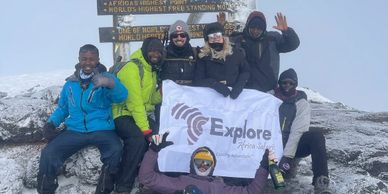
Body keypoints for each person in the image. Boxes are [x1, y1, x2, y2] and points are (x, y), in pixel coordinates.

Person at [37, 44, 128, 194]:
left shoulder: (107, 78)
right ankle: (45, 190)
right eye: (84, 59)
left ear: (98, 60)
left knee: (115, 150)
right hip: (75, 130)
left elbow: (121, 97)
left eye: (92, 59)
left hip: (102, 129)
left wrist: (110, 84)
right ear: (79, 60)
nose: (88, 62)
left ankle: (104, 190)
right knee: (49, 153)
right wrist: (51, 123)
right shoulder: (70, 84)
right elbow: (63, 108)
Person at [112, 37, 164, 193]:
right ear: (144, 50)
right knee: (137, 140)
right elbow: (134, 103)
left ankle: (149, 180)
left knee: (161, 138)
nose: (155, 54)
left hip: (138, 114)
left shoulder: (151, 69)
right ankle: (123, 184)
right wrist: (145, 129)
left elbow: (149, 100)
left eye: (159, 51)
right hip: (122, 114)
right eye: (152, 50)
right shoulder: (132, 68)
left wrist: (161, 93)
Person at [138, 133, 271, 194]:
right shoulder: (179, 183)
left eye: (207, 163)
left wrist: (264, 167)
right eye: (199, 161)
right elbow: (147, 178)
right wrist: (153, 151)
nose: (203, 165)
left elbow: (251, 191)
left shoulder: (221, 188)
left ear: (213, 167)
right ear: (191, 164)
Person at [273, 68, 332, 194]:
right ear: (279, 83)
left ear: (295, 85)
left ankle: (321, 181)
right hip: (270, 145)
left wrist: (287, 157)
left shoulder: (301, 103)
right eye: (284, 83)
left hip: (291, 147)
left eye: (291, 83)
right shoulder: (268, 98)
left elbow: (297, 131)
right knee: (276, 184)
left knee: (316, 137)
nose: (287, 86)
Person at [220, 11, 300, 92]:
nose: (255, 31)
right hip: (240, 90)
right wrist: (219, 30)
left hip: (267, 91)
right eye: (252, 27)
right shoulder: (236, 40)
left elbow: (293, 44)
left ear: (264, 29)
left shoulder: (273, 39)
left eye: (259, 29)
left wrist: (287, 31)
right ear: (248, 26)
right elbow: (216, 47)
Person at [194, 22, 249, 99]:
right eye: (211, 36)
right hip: (213, 98)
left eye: (218, 35)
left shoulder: (235, 53)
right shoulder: (203, 56)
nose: (215, 38)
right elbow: (198, 80)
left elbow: (245, 71)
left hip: (235, 97)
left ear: (223, 36)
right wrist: (213, 84)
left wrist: (239, 86)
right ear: (207, 40)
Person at [161, 20, 198, 86]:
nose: (179, 38)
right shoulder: (163, 54)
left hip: (191, 95)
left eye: (182, 35)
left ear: (188, 37)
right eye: (175, 35)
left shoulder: (196, 53)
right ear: (171, 38)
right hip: (170, 95)